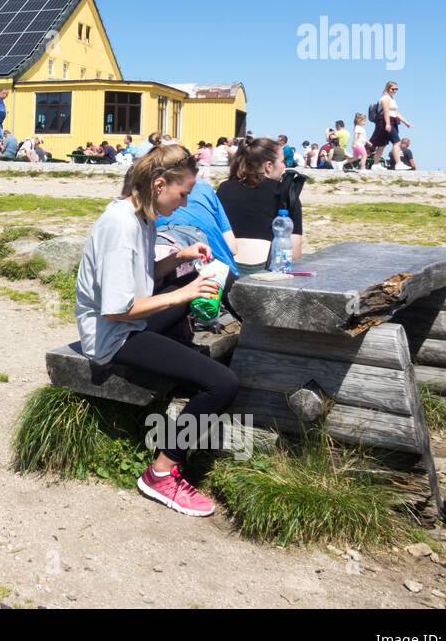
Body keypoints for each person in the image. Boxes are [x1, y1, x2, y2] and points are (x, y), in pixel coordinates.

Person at [76, 145, 238, 517]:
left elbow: (142, 282)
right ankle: (161, 472)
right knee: (222, 384)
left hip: (127, 322)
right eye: (183, 194)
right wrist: (184, 292)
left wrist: (178, 259)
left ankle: (182, 369)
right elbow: (117, 309)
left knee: (193, 293)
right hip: (112, 337)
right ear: (160, 184)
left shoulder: (140, 216)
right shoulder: (121, 226)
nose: (183, 204)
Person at [216, 138, 304, 274]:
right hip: (267, 271)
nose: (284, 166)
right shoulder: (285, 195)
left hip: (227, 270)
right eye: (282, 161)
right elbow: (295, 254)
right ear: (269, 166)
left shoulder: (224, 189)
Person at [157, 176, 240, 277]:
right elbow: (232, 247)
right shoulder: (203, 186)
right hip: (220, 276)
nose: (184, 204)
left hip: (162, 277)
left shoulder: (144, 214)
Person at [369, 80, 413, 169]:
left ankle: (375, 164)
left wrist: (406, 122)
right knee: (396, 142)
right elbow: (386, 111)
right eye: (393, 89)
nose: (395, 91)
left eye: (396, 89)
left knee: (382, 144)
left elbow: (396, 113)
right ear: (388, 88)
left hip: (392, 121)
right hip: (385, 121)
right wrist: (388, 124)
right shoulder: (385, 98)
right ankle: (399, 163)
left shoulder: (392, 99)